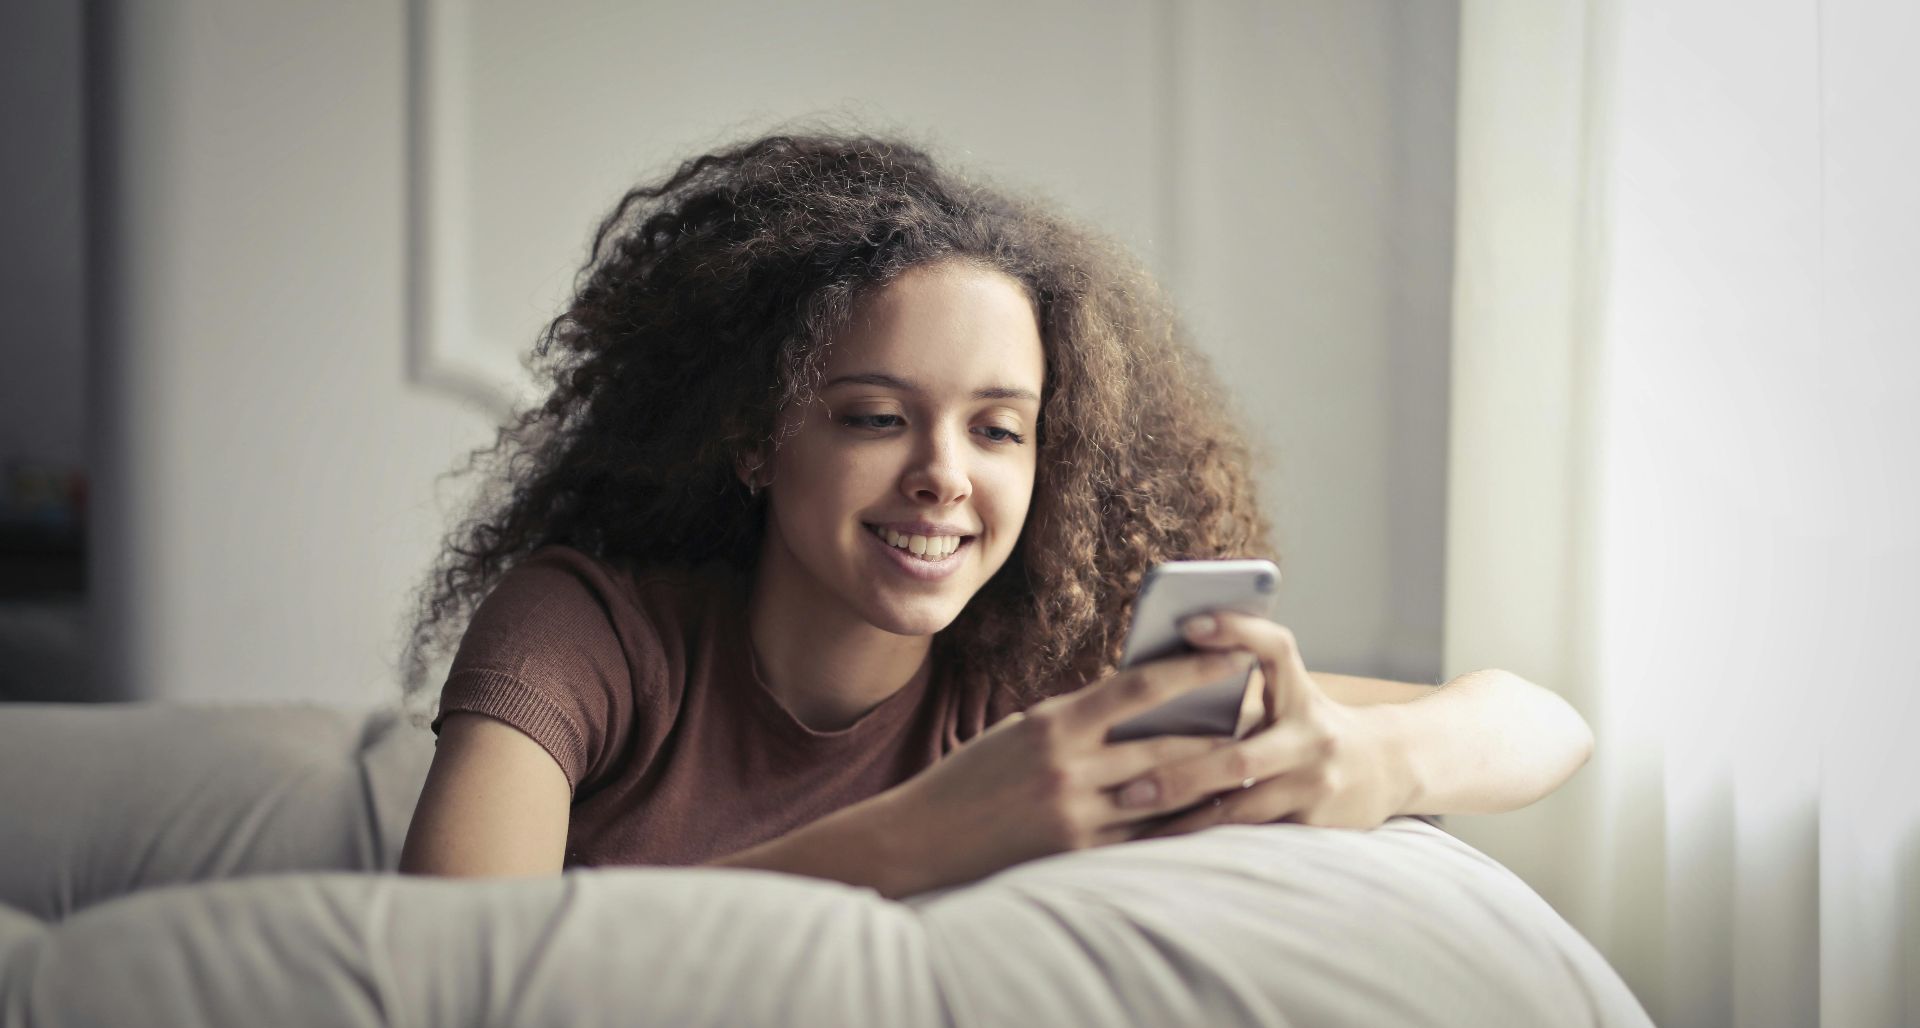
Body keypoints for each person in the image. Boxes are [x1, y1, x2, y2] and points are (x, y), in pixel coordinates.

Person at [397, 131, 1593, 897]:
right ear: (757, 439)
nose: (944, 475)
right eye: (874, 417)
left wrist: (1367, 759)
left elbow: (1541, 727)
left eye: (998, 427)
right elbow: (450, 973)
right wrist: (929, 834)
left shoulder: (1033, 679)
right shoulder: (584, 633)